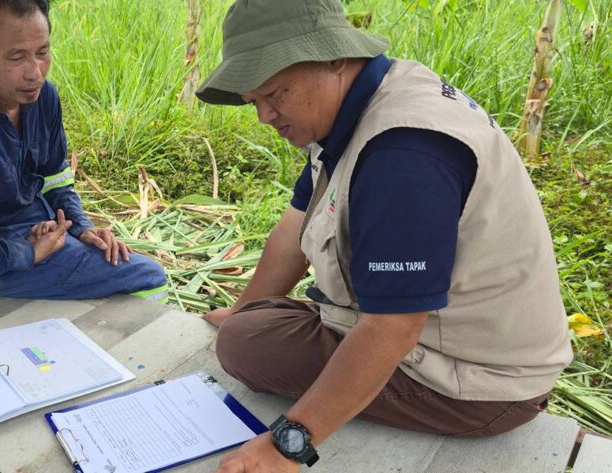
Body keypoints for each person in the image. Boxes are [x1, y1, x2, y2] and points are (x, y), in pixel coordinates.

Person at [194, 0, 573, 471]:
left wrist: (288, 445)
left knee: (249, 345)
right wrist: (239, 309)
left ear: (334, 56)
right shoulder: (358, 104)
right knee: (247, 327)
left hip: (480, 382)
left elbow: (394, 326)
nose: (264, 116)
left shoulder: (402, 153)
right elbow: (294, 229)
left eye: (274, 93)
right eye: (254, 101)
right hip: (443, 338)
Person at [0, 0, 168, 302]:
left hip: (42, 232)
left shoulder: (42, 97)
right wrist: (24, 252)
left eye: (42, 53)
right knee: (149, 279)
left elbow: (55, 177)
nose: (35, 73)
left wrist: (80, 227)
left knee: (123, 264)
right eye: (17, 57)